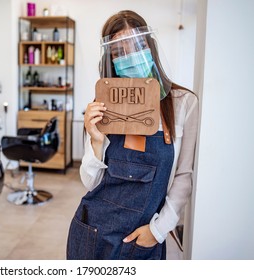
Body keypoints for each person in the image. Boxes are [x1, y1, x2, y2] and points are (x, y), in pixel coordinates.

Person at [66, 10, 199, 260]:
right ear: (110, 60)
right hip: (92, 231)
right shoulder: (103, 105)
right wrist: (95, 140)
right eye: (119, 52)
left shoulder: (183, 103)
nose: (130, 57)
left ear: (150, 47)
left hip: (143, 239)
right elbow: (90, 183)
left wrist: (157, 231)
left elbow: (183, 177)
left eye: (137, 46)